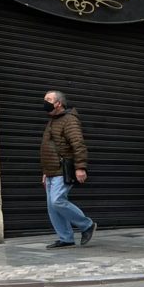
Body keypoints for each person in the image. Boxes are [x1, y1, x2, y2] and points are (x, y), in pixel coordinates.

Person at [40, 90, 95, 249]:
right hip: (51, 170)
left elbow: (78, 144)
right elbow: (49, 148)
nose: (45, 102)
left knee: (57, 201)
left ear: (58, 103)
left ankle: (87, 225)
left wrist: (80, 167)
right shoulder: (53, 120)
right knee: (52, 207)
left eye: (49, 99)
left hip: (62, 169)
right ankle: (66, 238)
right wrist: (45, 171)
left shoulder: (69, 120)